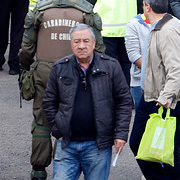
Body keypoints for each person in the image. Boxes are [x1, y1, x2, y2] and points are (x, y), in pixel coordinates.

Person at [20, 0, 104, 180]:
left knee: (41, 120)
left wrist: (25, 67)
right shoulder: (86, 11)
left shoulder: (40, 9)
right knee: (71, 116)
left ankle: (38, 169)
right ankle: (66, 163)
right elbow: (99, 48)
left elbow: (27, 46)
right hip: (75, 72)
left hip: (44, 70)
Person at [43, 24, 132, 180]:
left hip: (98, 147)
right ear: (71, 43)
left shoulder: (111, 66)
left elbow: (124, 101)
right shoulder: (59, 67)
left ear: (94, 42)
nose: (81, 46)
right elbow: (49, 102)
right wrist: (57, 131)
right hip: (67, 145)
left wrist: (121, 134)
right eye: (77, 41)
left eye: (86, 41)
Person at [129, 0, 180, 179]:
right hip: (153, 95)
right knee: (148, 146)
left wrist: (166, 96)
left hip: (163, 100)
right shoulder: (163, 25)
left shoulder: (167, 31)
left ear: (147, 7)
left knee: (163, 148)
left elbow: (177, 68)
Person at [87, 0, 138, 86]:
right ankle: (126, 97)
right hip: (128, 30)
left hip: (106, 32)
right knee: (127, 64)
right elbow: (139, 6)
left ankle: (111, 96)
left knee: (109, 66)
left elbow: (88, 9)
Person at [125, 0, 163, 106]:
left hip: (166, 83)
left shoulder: (174, 23)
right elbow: (134, 55)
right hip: (139, 83)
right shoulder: (134, 24)